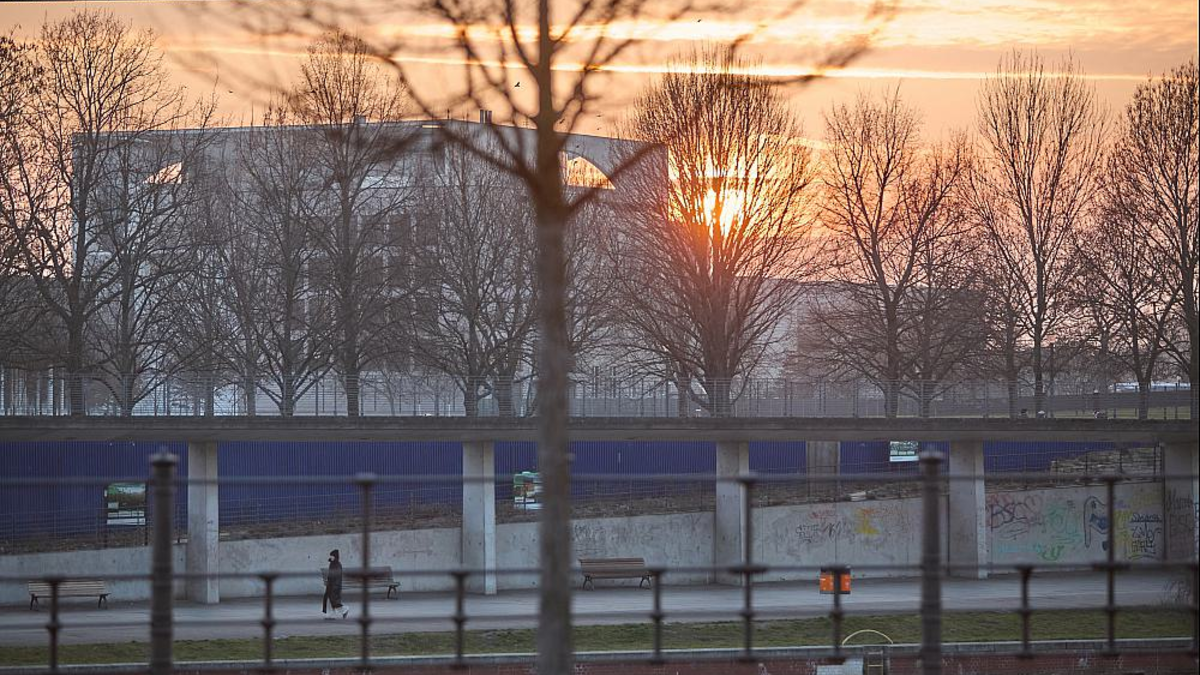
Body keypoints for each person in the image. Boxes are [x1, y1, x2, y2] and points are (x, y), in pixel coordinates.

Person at [322, 549, 349, 620]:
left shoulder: (337, 565)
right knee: (329, 599)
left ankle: (344, 609)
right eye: (331, 555)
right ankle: (331, 614)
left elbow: (337, 576)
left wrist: (334, 585)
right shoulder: (332, 564)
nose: (331, 557)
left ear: (335, 556)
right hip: (331, 584)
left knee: (334, 600)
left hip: (334, 585)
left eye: (332, 556)